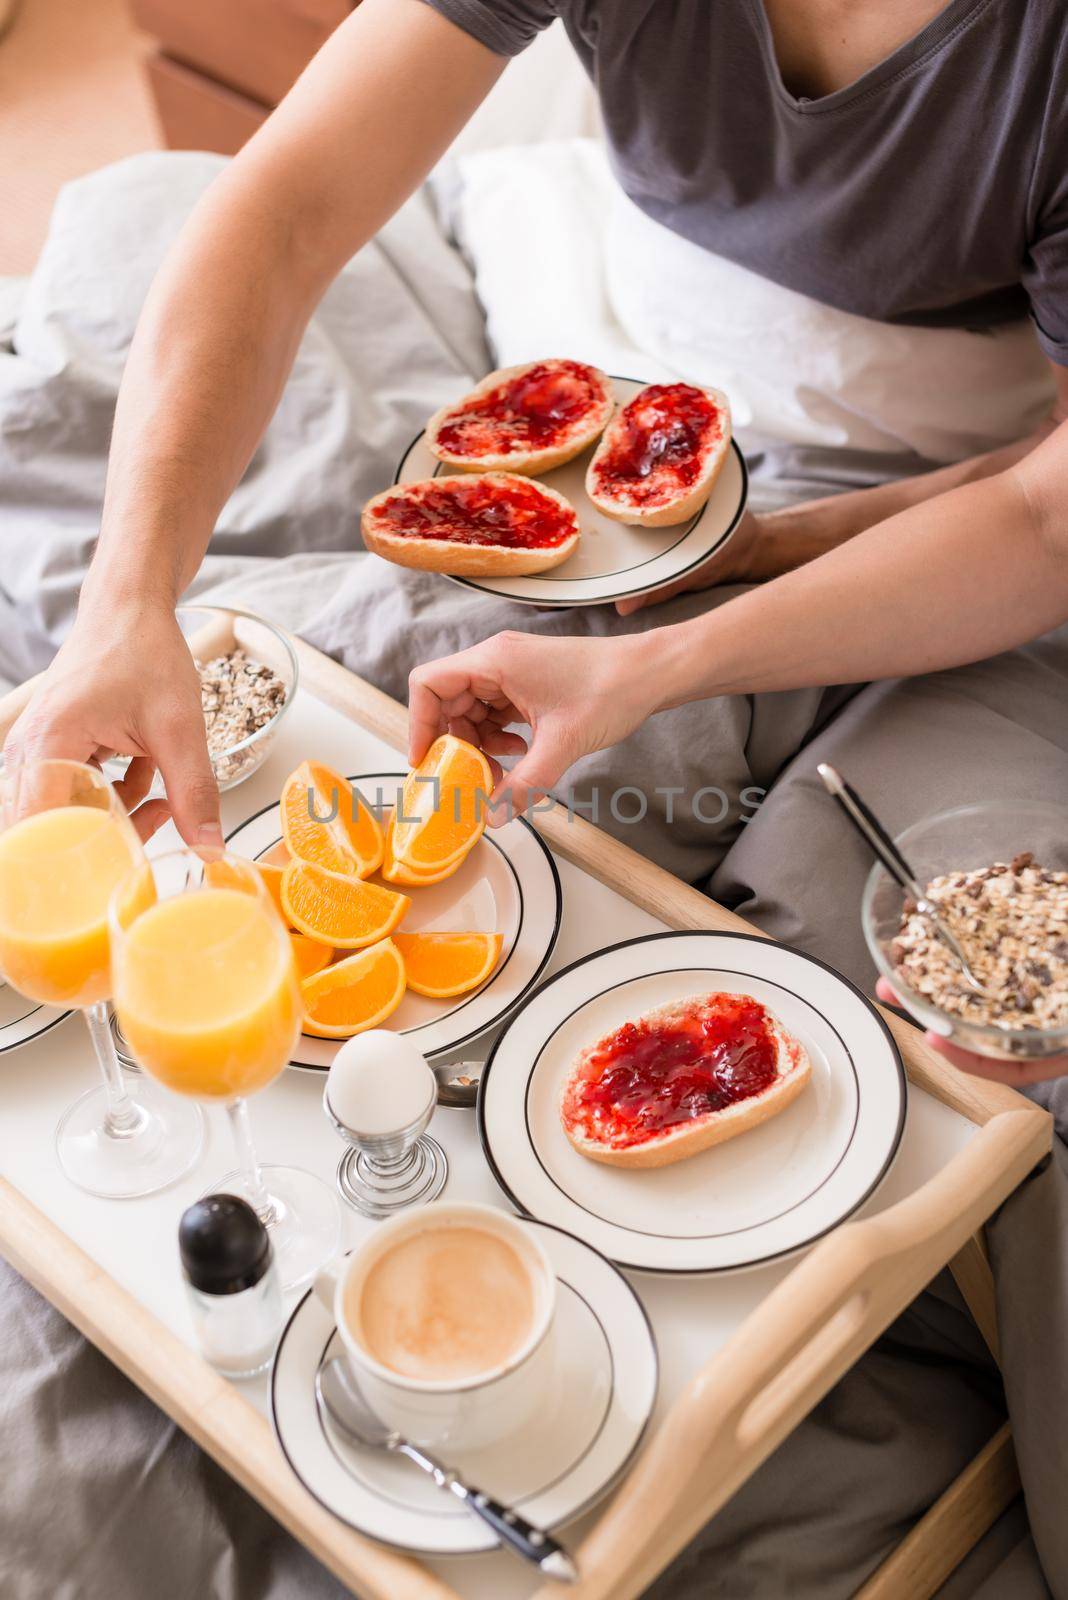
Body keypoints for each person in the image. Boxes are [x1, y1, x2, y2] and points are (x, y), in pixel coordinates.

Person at [9, 0, 1068, 1086]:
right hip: (597, 358)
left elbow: (1046, 514)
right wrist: (124, 601)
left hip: (936, 508)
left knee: (833, 971)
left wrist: (710, 611)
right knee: (138, 232)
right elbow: (282, 211)